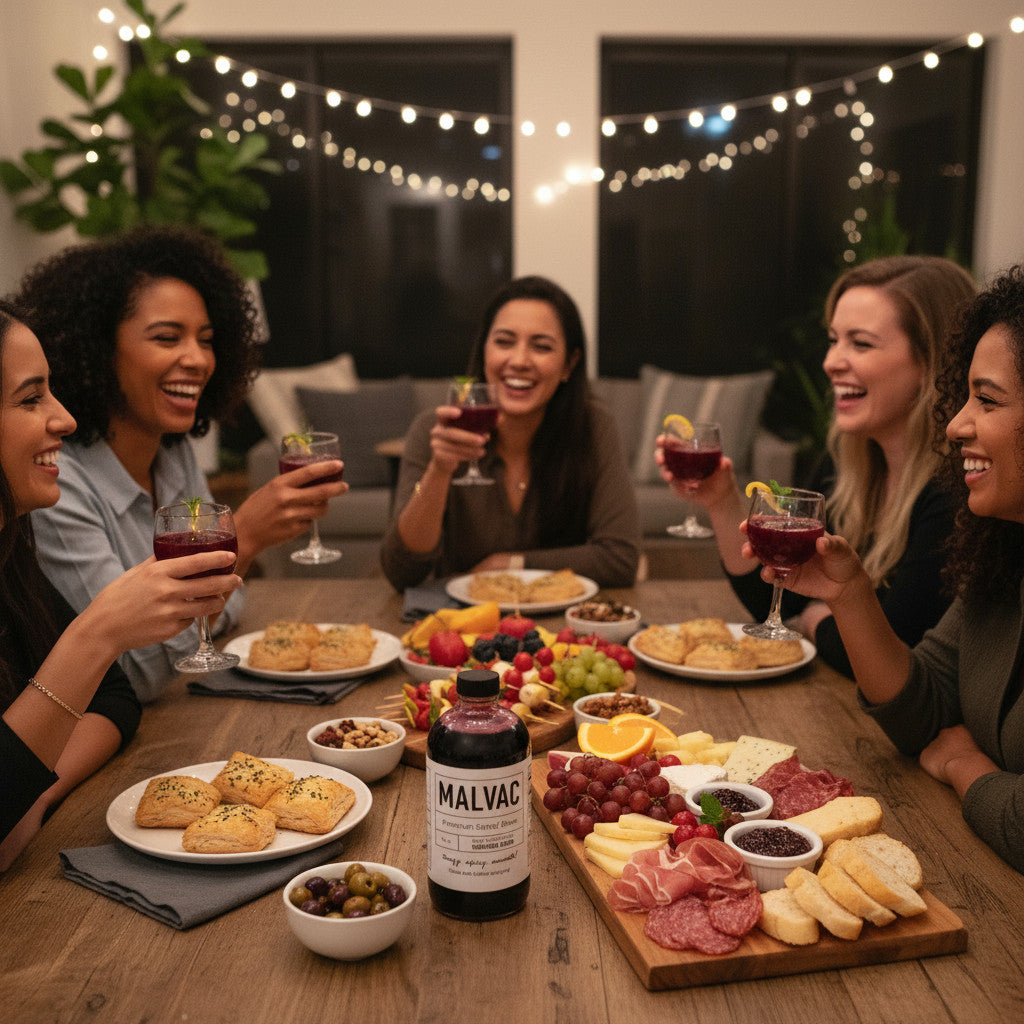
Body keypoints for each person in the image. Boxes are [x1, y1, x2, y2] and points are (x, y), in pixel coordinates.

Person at [14, 225, 347, 703]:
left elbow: (225, 608)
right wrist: (244, 535)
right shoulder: (54, 482)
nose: (197, 359)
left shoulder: (172, 451)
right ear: (97, 350)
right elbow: (130, 675)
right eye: (168, 337)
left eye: (207, 339)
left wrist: (201, 607)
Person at [771, 264, 1024, 873]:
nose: (958, 423)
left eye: (986, 400)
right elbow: (923, 708)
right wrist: (850, 594)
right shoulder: (1002, 551)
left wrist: (964, 765)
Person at [0, 302, 243, 868]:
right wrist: (97, 633)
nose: (63, 419)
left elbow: (115, 697)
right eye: (31, 398)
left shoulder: (11, 550)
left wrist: (36, 791)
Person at [658, 255, 977, 677]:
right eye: (833, 339)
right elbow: (775, 602)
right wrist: (721, 500)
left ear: (932, 363)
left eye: (860, 343)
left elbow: (897, 652)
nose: (831, 362)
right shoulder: (846, 463)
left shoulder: (957, 491)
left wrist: (817, 619)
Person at [380, 275, 641, 590]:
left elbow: (621, 560)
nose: (519, 361)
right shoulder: (435, 429)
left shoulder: (595, 428)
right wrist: (439, 471)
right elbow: (400, 571)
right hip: (462, 628)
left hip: (564, 631)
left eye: (541, 346)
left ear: (568, 365)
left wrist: (510, 565)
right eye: (504, 342)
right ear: (485, 351)